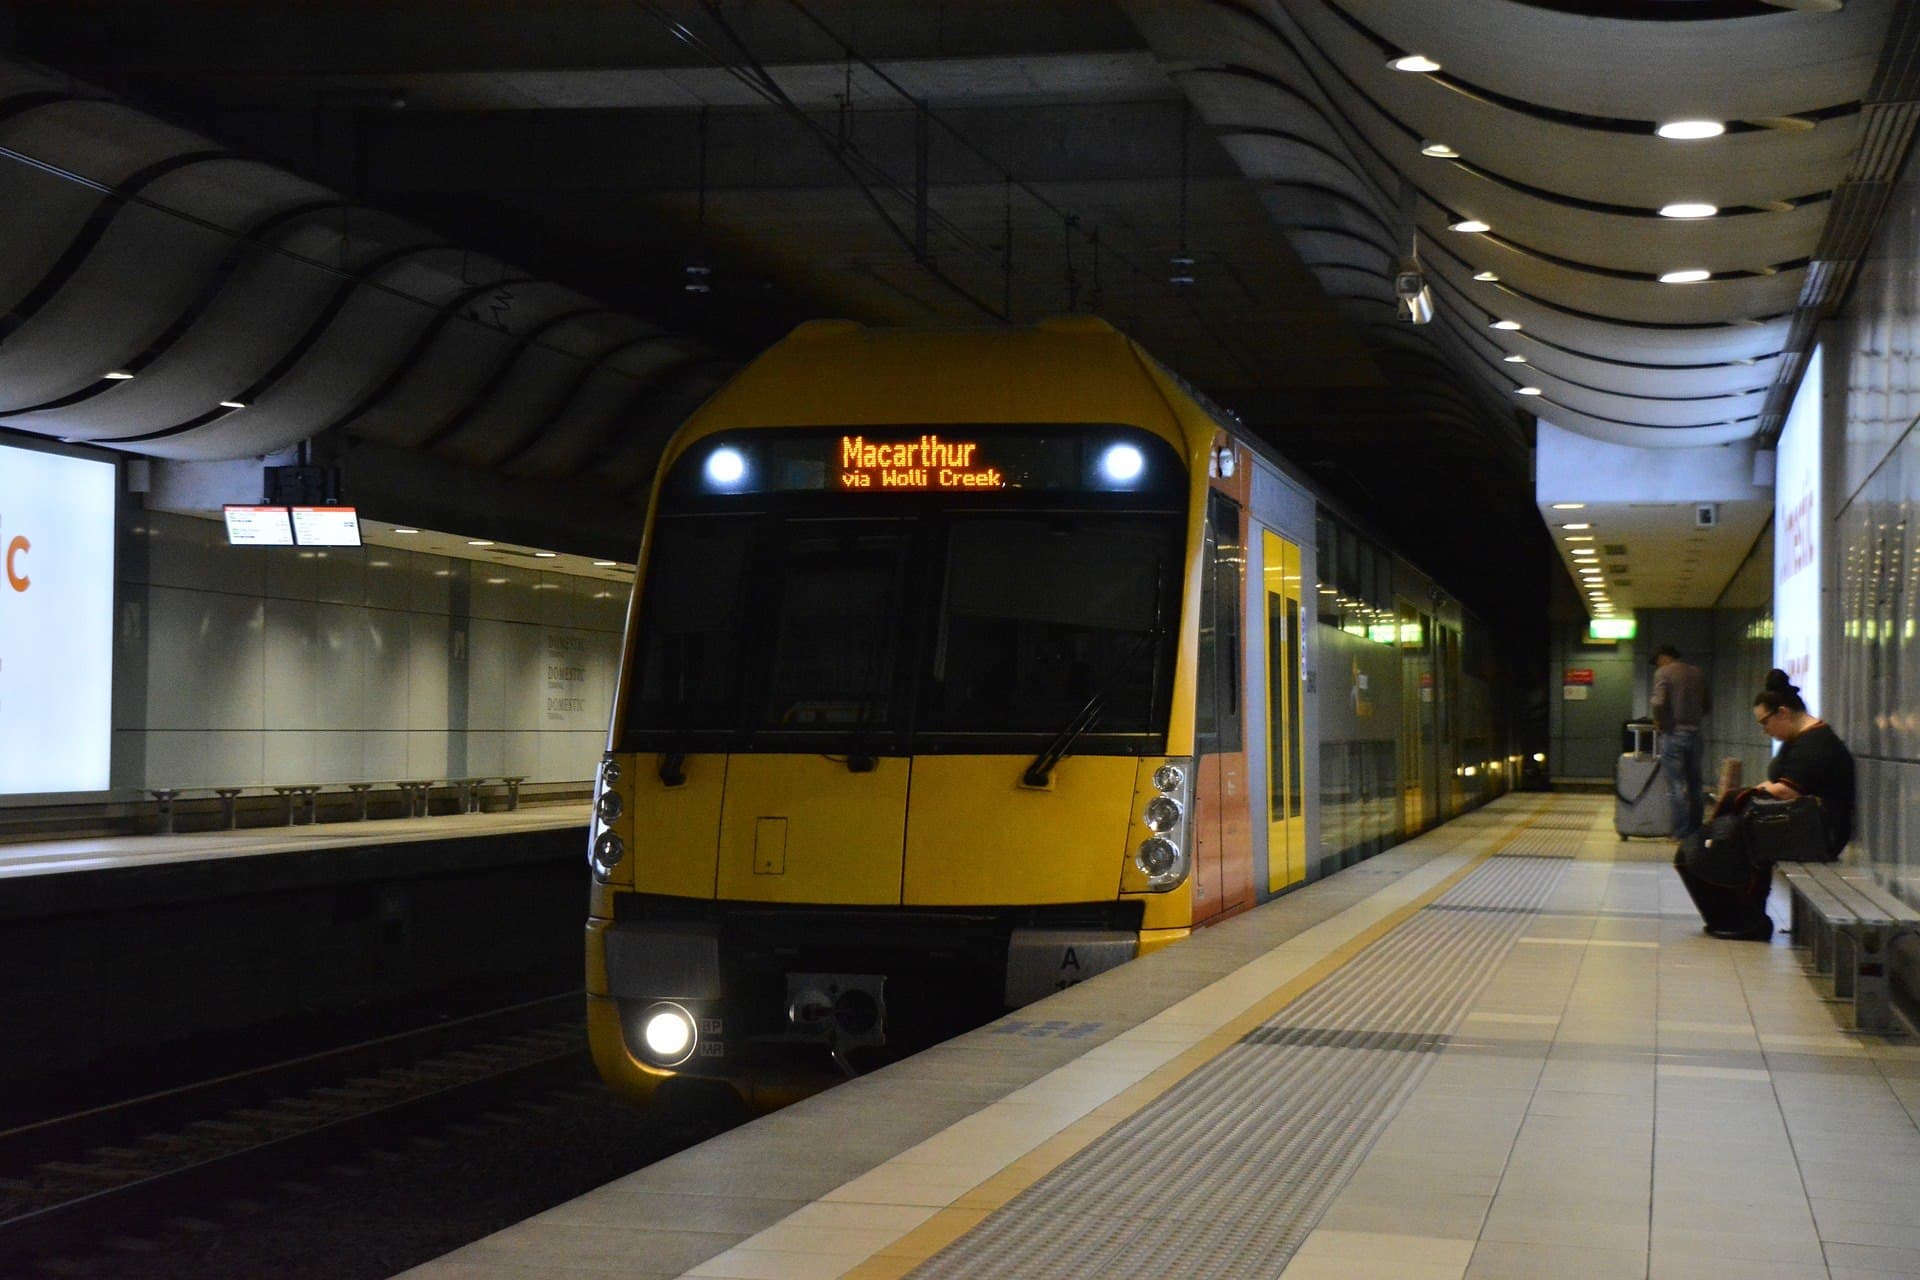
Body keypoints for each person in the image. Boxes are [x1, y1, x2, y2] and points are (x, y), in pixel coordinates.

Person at [1673, 669, 1855, 941]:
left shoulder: (1815, 745)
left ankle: (1743, 917)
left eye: (1765, 722)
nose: (1765, 730)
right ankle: (1740, 916)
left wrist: (1750, 793)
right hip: (1804, 826)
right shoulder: (1801, 740)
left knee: (1722, 843)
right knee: (1716, 843)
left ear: (1782, 712)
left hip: (1820, 835)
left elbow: (1784, 791)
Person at [1649, 643, 1708, 838]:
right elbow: (1707, 704)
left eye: (1657, 662)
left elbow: (1658, 702)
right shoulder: (1697, 673)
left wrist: (1661, 722)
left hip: (1674, 734)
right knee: (1695, 784)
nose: (1658, 666)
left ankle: (1681, 832)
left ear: (1663, 658)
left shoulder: (1663, 673)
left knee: (1676, 784)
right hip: (1696, 733)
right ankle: (1696, 829)